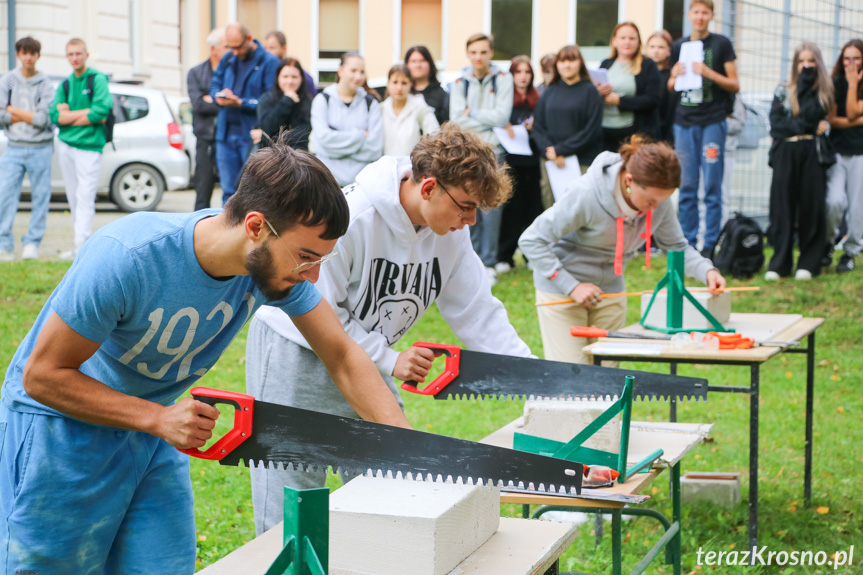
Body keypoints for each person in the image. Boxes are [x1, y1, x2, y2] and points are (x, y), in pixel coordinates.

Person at [0, 140, 410, 573]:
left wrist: (408, 447)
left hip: (152, 434)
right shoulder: (128, 256)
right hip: (61, 433)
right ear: (255, 227)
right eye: (306, 257)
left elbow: (343, 354)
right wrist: (156, 418)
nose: (314, 275)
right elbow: (42, 376)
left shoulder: (268, 269)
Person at [247, 124, 530, 534]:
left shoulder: (450, 234)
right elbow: (315, 308)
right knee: (291, 506)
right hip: (297, 351)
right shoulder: (354, 215)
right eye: (466, 205)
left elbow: (480, 314)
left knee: (387, 493)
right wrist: (389, 357)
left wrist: (541, 383)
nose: (471, 219)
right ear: (429, 187)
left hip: (365, 363)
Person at [519, 136, 726, 364]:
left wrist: (707, 271)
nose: (655, 208)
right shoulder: (586, 195)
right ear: (629, 181)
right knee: (570, 379)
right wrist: (572, 286)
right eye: (650, 200)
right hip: (561, 291)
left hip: (611, 291)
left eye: (662, 200)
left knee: (608, 377)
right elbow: (531, 240)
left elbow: (676, 247)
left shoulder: (659, 203)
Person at [668, 0, 739, 260]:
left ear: (711, 15)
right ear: (689, 15)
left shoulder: (721, 44)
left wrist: (708, 72)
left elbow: (734, 84)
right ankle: (687, 241)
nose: (700, 17)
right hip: (683, 122)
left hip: (712, 122)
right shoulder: (679, 46)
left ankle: (710, 241)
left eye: (704, 12)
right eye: (696, 12)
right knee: (687, 185)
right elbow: (670, 87)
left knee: (711, 185)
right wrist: (673, 76)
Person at [765, 43, 834, 281]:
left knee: (811, 206)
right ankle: (779, 262)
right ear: (795, 63)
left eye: (811, 61)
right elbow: (776, 124)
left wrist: (800, 123)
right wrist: (803, 126)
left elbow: (812, 113)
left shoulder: (824, 92)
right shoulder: (783, 90)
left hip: (812, 153)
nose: (806, 65)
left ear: (818, 64)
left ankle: (808, 262)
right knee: (782, 206)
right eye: (802, 61)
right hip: (786, 152)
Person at [449, 33, 514, 285]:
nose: (479, 57)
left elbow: (502, 116)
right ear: (468, 53)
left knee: (491, 207)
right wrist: (481, 118)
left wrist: (471, 113)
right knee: (466, 204)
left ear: (491, 53)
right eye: (474, 52)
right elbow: (456, 118)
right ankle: (471, 259)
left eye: (483, 52)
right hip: (466, 152)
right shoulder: (458, 81)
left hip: (493, 150)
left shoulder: (503, 79)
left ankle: (488, 262)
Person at [49, 38, 113, 260]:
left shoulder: (97, 79)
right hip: (67, 145)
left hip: (89, 147)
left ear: (86, 54)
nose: (75, 58)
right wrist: (83, 114)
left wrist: (69, 116)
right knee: (73, 197)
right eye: (70, 54)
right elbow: (54, 116)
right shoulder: (66, 84)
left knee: (85, 196)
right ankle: (79, 246)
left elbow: (101, 111)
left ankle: (82, 248)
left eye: (78, 53)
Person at [210, 22, 280, 205]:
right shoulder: (228, 59)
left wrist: (241, 102)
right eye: (230, 47)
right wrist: (218, 97)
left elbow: (270, 100)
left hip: (250, 136)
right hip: (225, 135)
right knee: (227, 192)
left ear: (249, 39)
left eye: (238, 47)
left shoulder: (269, 62)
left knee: (252, 191)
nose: (235, 52)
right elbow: (214, 85)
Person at [0, 36, 55, 262]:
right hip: (13, 147)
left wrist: (15, 112)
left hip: (41, 148)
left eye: (33, 53)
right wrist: (28, 116)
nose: (29, 57)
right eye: (25, 53)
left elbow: (43, 120)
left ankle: (32, 244)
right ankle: (4, 244)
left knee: (40, 197)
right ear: (18, 55)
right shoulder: (8, 80)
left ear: (38, 56)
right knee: (4, 195)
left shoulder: (45, 83)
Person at [532, 44, 603, 210]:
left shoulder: (590, 92)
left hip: (581, 160)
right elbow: (538, 127)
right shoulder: (549, 92)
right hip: (551, 162)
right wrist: (550, 151)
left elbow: (591, 130)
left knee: (580, 210)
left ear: (580, 63)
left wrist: (562, 150)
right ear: (557, 64)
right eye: (562, 61)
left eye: (572, 60)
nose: (567, 65)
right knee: (552, 210)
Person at [496, 56, 543, 274]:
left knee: (533, 209)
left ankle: (531, 255)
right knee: (511, 210)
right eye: (519, 72)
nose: (523, 77)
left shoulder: (537, 98)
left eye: (527, 72)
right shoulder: (505, 100)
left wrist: (535, 128)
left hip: (532, 162)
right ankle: (505, 255)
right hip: (511, 161)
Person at [310, 52, 383, 186]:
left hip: (361, 184)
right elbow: (323, 141)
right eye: (353, 70)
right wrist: (360, 136)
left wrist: (335, 146)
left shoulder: (371, 104)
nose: (358, 76)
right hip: (328, 184)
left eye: (362, 72)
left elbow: (375, 149)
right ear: (341, 71)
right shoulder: (322, 101)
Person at [825, 38, 863, 274]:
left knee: (857, 207)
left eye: (856, 58)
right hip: (837, 152)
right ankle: (827, 244)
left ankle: (850, 251)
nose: (851, 63)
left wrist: (853, 83)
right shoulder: (834, 83)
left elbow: (847, 112)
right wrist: (857, 120)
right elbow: (834, 119)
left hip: (860, 153)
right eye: (847, 58)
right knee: (834, 201)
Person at [598, 22, 662, 151]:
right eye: (623, 38)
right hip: (605, 134)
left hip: (633, 136)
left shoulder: (648, 65)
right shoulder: (606, 64)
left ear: (638, 42)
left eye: (632, 38)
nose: (627, 42)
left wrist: (620, 101)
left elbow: (653, 99)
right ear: (614, 41)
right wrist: (598, 93)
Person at [187, 28, 227, 211]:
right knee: (202, 192)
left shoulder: (231, 72)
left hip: (227, 140)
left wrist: (211, 99)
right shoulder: (196, 73)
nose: (232, 50)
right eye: (227, 46)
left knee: (230, 190)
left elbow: (237, 102)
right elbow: (198, 105)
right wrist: (223, 102)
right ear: (214, 49)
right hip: (205, 141)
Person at [253, 57, 312, 151]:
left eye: (294, 77)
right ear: (278, 78)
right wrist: (287, 100)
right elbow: (267, 126)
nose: (290, 81)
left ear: (302, 79)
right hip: (270, 158)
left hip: (299, 159)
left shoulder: (308, 101)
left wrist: (265, 138)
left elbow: (302, 138)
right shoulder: (267, 99)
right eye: (285, 76)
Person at [381, 64, 439, 156]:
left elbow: (435, 137)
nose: (399, 88)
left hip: (412, 167)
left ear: (410, 84)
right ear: (388, 83)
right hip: (386, 168)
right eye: (395, 82)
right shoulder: (380, 109)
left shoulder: (420, 108)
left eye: (404, 83)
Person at [263, 30, 317, 99]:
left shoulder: (302, 75)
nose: (267, 52)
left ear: (284, 48)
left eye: (272, 48)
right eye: (265, 48)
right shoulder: (265, 72)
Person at [405, 45, 449, 126]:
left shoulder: (441, 95)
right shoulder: (402, 93)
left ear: (430, 64)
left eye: (422, 60)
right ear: (407, 64)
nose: (418, 65)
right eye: (413, 61)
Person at [647, 30, 676, 144]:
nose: (656, 51)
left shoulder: (672, 76)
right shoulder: (643, 74)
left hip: (668, 134)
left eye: (661, 47)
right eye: (652, 46)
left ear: (669, 50)